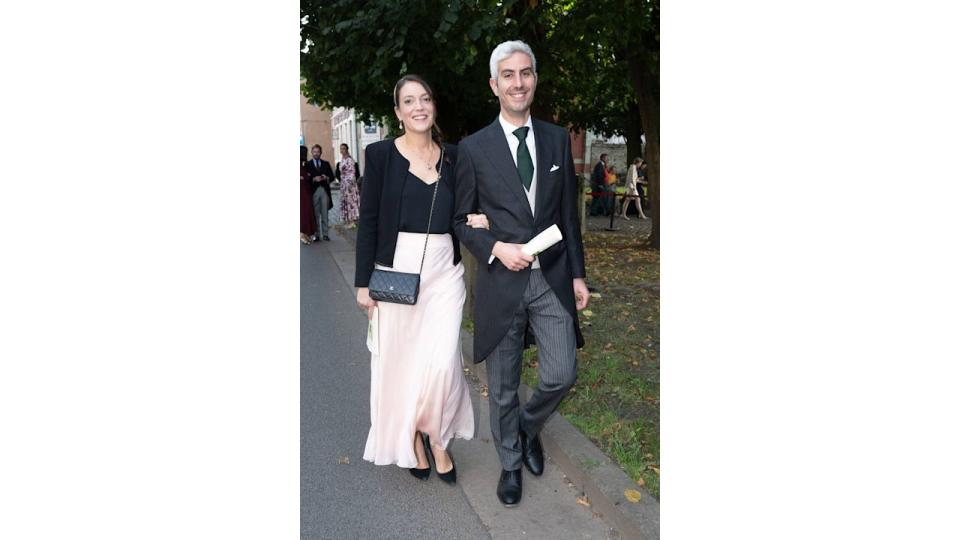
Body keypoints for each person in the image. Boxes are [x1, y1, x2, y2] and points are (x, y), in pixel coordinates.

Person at [454, 40, 589, 507]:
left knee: (560, 373)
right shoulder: (472, 148)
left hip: (551, 277)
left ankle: (528, 430)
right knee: (504, 385)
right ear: (495, 84)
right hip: (502, 281)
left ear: (534, 79)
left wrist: (577, 274)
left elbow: (567, 215)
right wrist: (494, 246)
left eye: (526, 73)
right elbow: (460, 220)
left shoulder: (555, 139)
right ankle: (510, 464)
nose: (518, 82)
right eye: (508, 75)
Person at [354, 74, 489, 485]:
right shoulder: (379, 156)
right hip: (396, 271)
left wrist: (478, 218)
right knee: (403, 362)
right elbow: (370, 221)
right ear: (398, 112)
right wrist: (364, 282)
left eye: (425, 98)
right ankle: (413, 437)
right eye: (408, 101)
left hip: (443, 270)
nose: (418, 107)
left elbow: (464, 209)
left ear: (433, 106)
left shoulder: (454, 157)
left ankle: (439, 436)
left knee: (444, 359)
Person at [306, 144, 335, 241]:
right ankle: (317, 234)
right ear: (312, 153)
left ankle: (326, 234)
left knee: (324, 213)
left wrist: (326, 177)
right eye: (314, 152)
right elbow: (306, 179)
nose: (316, 153)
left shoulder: (326, 163)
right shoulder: (308, 164)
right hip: (314, 191)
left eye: (318, 152)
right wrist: (313, 179)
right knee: (315, 214)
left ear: (321, 152)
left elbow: (332, 177)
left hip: (324, 191)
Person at [336, 144, 361, 227]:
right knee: (346, 202)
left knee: (351, 202)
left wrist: (349, 184)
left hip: (350, 185)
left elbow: (352, 173)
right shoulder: (342, 159)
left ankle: (352, 220)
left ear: (347, 149)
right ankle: (348, 220)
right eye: (341, 149)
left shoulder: (350, 160)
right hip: (343, 184)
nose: (342, 150)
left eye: (343, 149)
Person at [300, 145, 318, 245]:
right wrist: (307, 176)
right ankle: (302, 234)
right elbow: (303, 177)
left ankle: (306, 234)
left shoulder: (302, 164)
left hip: (306, 191)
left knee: (307, 212)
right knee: (304, 213)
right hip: (302, 193)